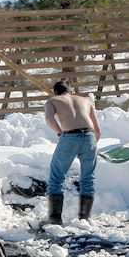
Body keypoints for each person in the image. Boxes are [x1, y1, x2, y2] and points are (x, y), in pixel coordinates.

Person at [43, 80, 101, 225]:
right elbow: (97, 130)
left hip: (69, 137)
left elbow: (49, 118)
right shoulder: (86, 101)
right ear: (72, 92)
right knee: (88, 179)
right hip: (89, 137)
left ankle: (55, 220)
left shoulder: (52, 100)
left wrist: (59, 132)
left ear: (55, 93)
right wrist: (93, 146)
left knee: (56, 178)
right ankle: (84, 219)